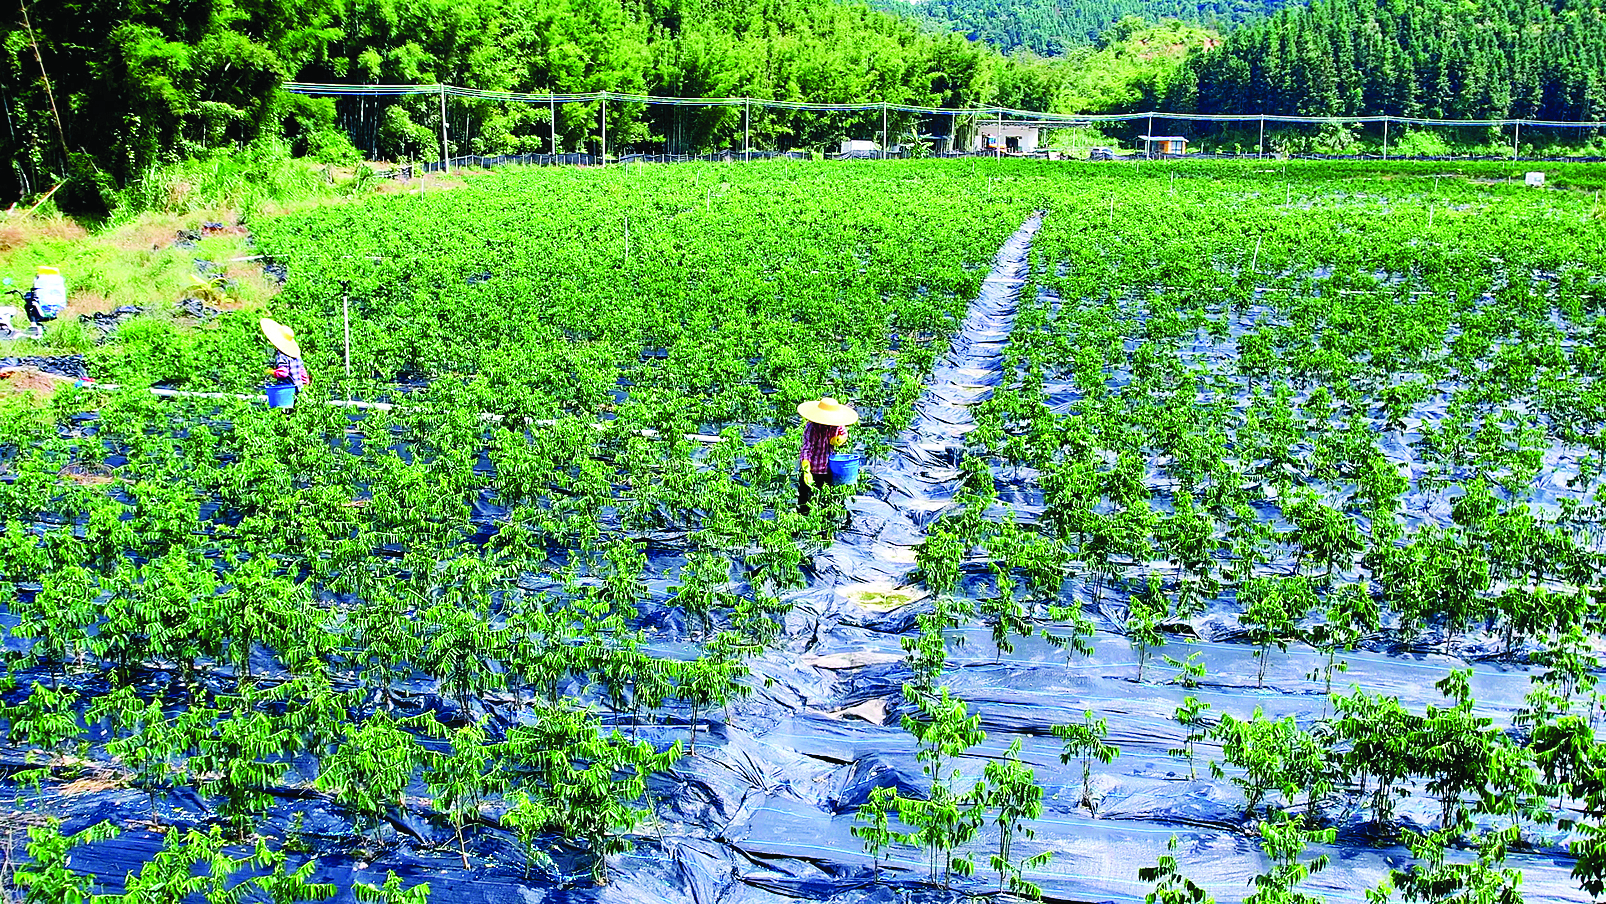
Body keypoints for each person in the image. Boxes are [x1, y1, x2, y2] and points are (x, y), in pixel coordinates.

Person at [797, 396, 857, 514]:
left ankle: (824, 524)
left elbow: (844, 433)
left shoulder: (837, 424)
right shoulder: (812, 427)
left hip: (828, 469)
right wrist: (806, 471)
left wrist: (840, 439)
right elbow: (806, 450)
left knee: (826, 504)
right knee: (805, 504)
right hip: (813, 470)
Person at [260, 318, 310, 396]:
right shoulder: (296, 356)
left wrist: (270, 372)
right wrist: (305, 385)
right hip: (299, 388)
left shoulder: (281, 355)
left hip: (287, 389)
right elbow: (303, 373)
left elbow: (283, 373)